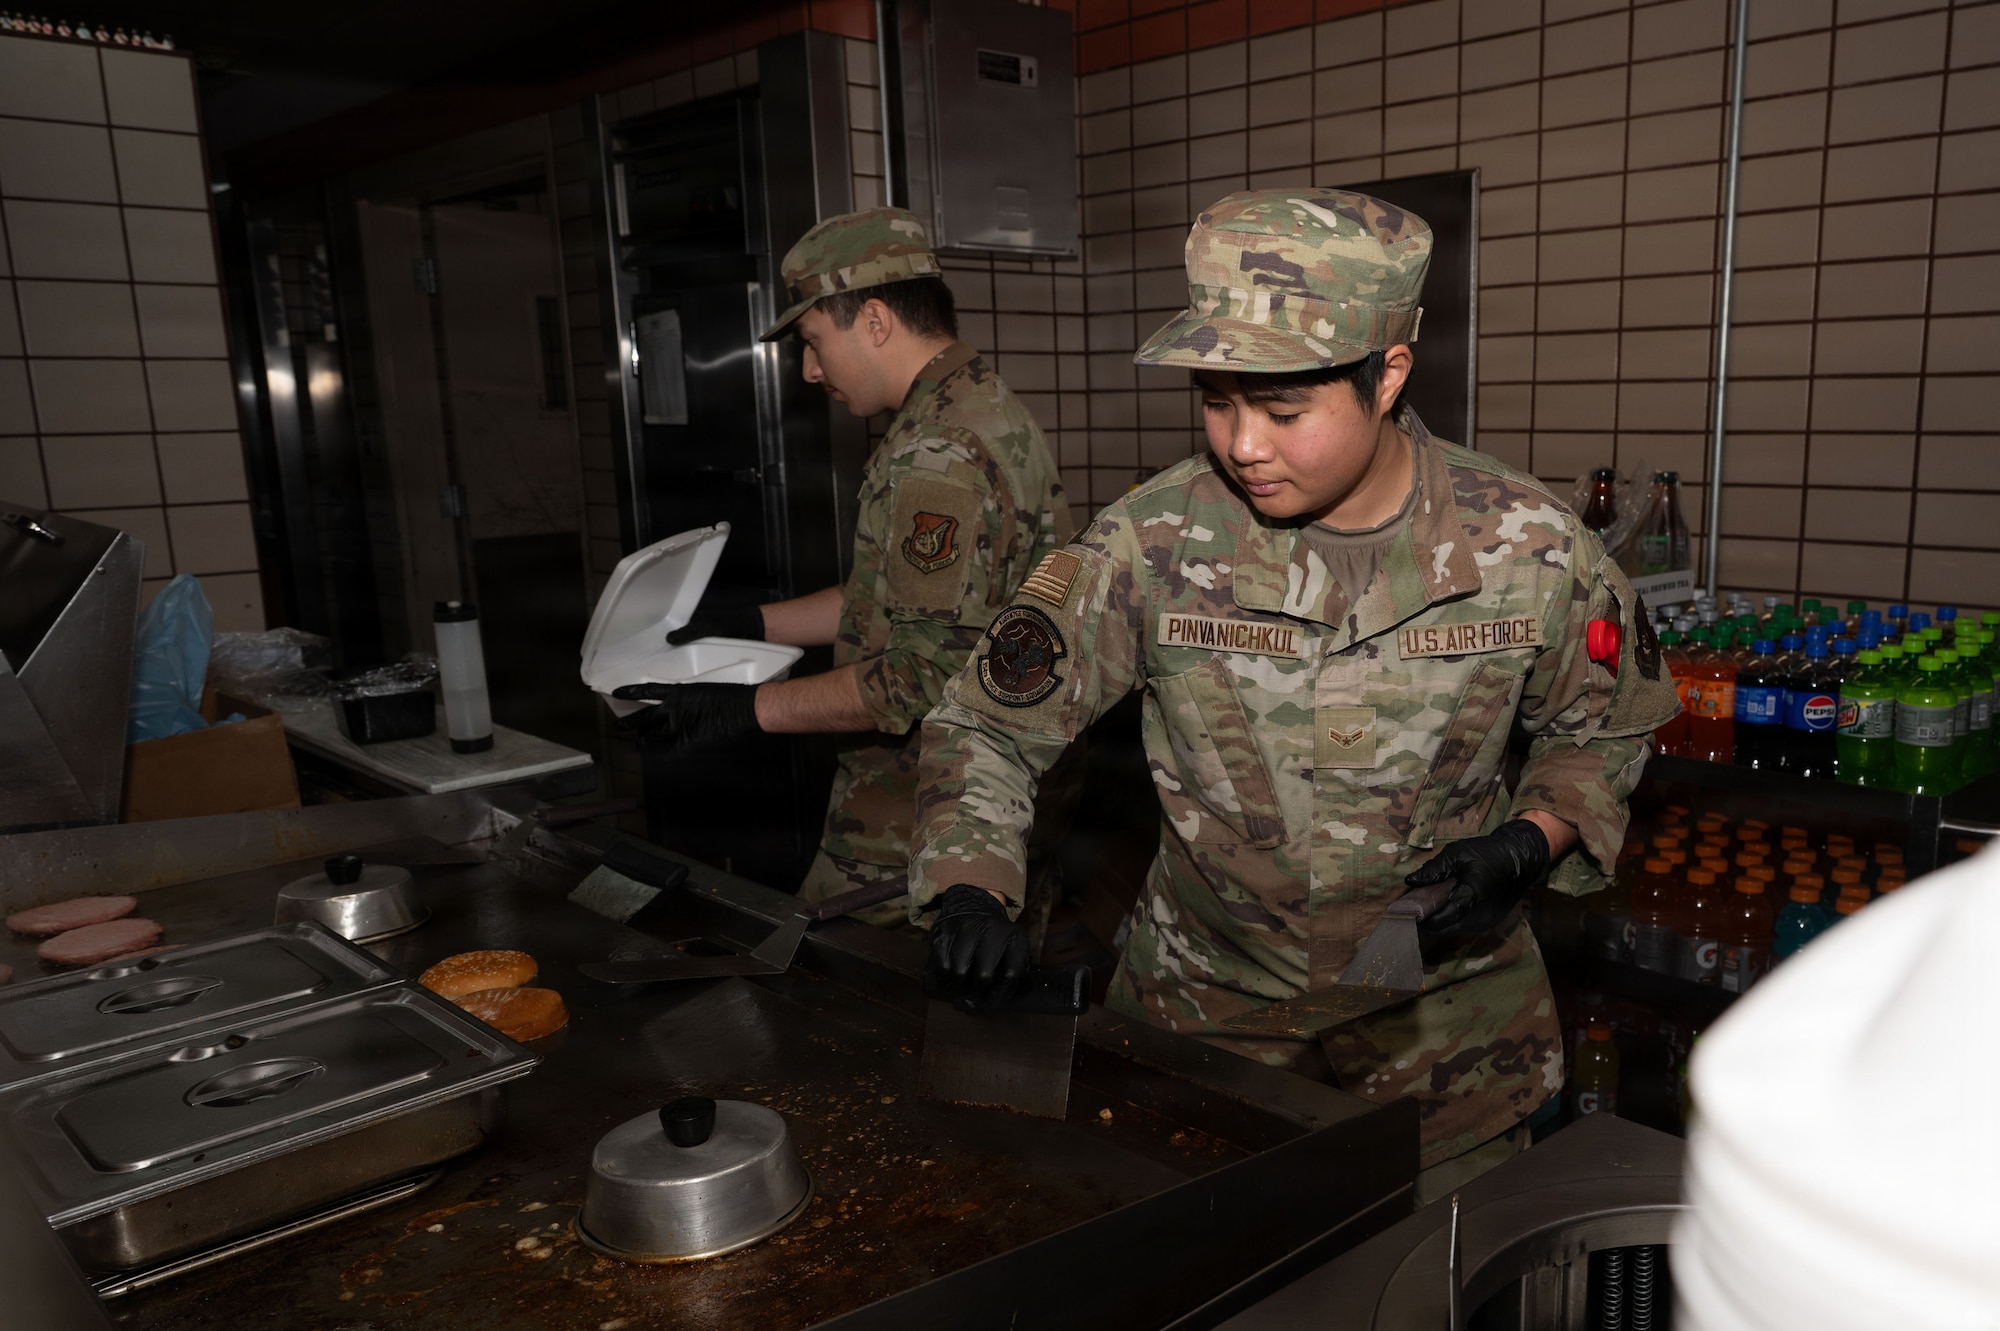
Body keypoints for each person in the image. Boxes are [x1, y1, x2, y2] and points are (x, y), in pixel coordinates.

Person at [911, 189, 1678, 1199]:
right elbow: (985, 723)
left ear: (1387, 374)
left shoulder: (1529, 549)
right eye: (1216, 398)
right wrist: (971, 878)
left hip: (1442, 1051)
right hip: (1201, 1033)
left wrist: (1529, 838)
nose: (1240, 443)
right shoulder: (1148, 543)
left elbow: (1604, 726)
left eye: (1280, 408)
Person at [614, 207, 1076, 932]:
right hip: (969, 800)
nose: (809, 369)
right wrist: (745, 623)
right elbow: (881, 601)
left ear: (876, 320)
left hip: (923, 818)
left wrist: (744, 709)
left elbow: (917, 678)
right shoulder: (974, 409)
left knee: (837, 1000)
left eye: (813, 340)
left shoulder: (939, 453)